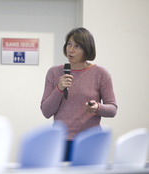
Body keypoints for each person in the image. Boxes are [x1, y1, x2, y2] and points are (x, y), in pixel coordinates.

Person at [40, 27, 117, 161]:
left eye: (77, 46)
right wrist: (59, 88)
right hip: (60, 141)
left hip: (89, 140)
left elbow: (113, 109)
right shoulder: (54, 72)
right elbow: (46, 111)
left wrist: (97, 108)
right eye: (69, 44)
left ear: (87, 49)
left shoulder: (100, 74)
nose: (71, 50)